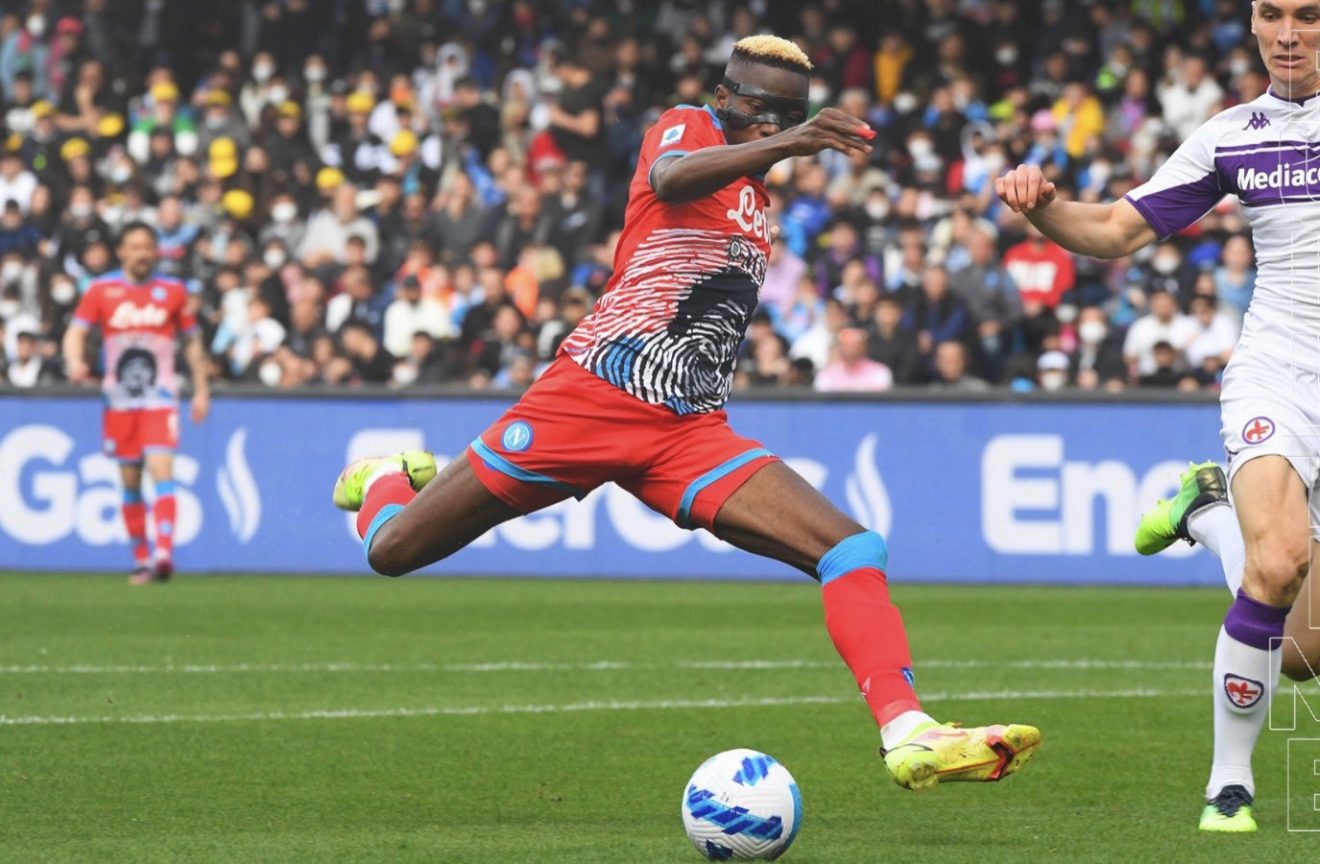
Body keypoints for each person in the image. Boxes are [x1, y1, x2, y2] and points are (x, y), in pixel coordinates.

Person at [334, 34, 1039, 791]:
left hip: (686, 429)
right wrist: (793, 141)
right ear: (727, 98)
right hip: (592, 399)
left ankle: (908, 732)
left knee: (852, 549)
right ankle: (383, 477)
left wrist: (780, 147)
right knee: (393, 551)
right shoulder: (684, 127)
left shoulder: (756, 198)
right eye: (760, 107)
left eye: (787, 114)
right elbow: (669, 180)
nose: (768, 123)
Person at [995, 0, 1319, 831]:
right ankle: (1228, 787)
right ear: (1253, 25)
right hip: (1279, 374)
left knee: (1304, 654)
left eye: (1310, 16)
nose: (1288, 34)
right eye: (1272, 15)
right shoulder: (1232, 135)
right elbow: (1115, 229)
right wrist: (1041, 207)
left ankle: (1207, 514)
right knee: (1279, 561)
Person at [62, 221, 210, 584]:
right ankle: (142, 559)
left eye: (147, 246)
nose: (142, 253)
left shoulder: (173, 291)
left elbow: (191, 341)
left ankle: (164, 555)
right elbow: (75, 332)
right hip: (119, 401)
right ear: (122, 252)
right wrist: (75, 361)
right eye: (135, 246)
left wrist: (202, 388)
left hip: (160, 398)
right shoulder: (102, 290)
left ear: (156, 251)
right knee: (130, 481)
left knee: (162, 468)